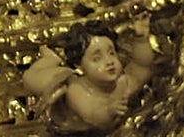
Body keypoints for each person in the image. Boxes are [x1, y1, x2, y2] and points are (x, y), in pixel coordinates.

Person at [23, 18, 155, 132]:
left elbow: (142, 67)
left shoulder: (122, 84)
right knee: (30, 78)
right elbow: (92, 115)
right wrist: (109, 111)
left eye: (111, 53)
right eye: (97, 59)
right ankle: (50, 58)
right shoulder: (76, 90)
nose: (109, 61)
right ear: (79, 65)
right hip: (55, 81)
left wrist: (141, 39)